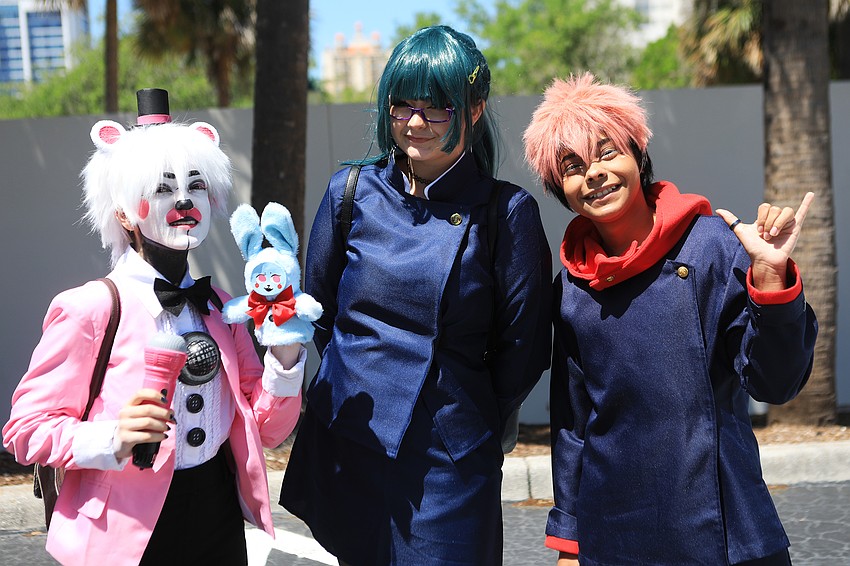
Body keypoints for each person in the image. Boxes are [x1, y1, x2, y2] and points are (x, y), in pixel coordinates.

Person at [279, 25, 552, 566]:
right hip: (352, 436)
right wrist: (363, 374)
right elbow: (321, 311)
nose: (416, 123)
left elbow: (523, 347)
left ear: (474, 111)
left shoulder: (507, 212)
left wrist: (465, 414)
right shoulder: (351, 191)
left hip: (448, 453)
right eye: (402, 105)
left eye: (437, 108)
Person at [522, 73, 818, 566]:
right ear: (560, 188)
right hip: (613, 536)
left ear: (638, 154)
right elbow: (573, 425)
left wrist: (770, 278)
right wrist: (569, 543)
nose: (593, 173)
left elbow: (776, 382)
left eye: (607, 151)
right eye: (572, 166)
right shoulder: (570, 288)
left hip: (726, 532)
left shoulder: (711, 246)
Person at [2, 88, 306, 566]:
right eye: (162, 188)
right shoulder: (90, 308)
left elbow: (266, 430)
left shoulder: (222, 308)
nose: (184, 200)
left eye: (196, 185)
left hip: (216, 516)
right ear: (123, 212)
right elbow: (25, 431)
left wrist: (285, 356)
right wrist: (111, 438)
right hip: (123, 530)